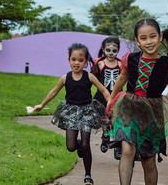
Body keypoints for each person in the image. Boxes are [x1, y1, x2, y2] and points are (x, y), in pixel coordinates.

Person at [104, 18, 168, 185]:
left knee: (147, 159)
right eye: (143, 38)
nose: (148, 42)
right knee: (127, 150)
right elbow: (122, 78)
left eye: (152, 36)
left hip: (151, 114)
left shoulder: (167, 64)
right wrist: (111, 98)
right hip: (129, 108)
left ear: (160, 37)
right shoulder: (130, 58)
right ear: (137, 40)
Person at [33, 43, 111, 185]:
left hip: (87, 111)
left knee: (86, 145)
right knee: (71, 146)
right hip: (71, 113)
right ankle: (79, 144)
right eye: (73, 59)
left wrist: (111, 104)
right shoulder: (65, 78)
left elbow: (104, 91)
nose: (76, 63)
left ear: (86, 62)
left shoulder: (90, 77)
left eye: (80, 60)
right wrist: (42, 104)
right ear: (69, 60)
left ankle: (88, 176)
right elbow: (53, 92)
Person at [93, 36, 122, 159]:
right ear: (103, 50)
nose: (111, 53)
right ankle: (105, 137)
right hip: (102, 96)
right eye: (108, 50)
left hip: (117, 96)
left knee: (117, 121)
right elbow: (92, 78)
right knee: (105, 120)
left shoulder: (121, 64)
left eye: (114, 51)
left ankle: (117, 146)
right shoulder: (99, 63)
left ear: (118, 50)